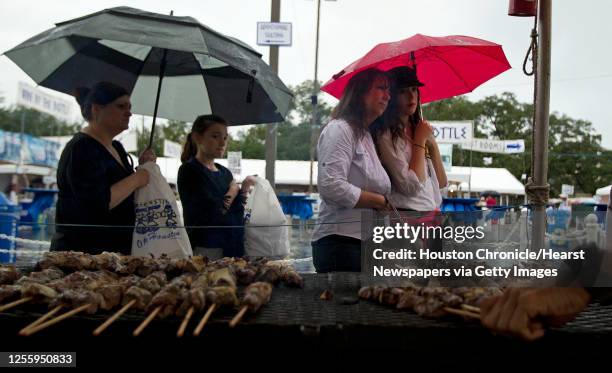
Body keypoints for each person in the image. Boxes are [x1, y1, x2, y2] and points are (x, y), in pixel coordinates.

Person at [52, 82, 155, 255]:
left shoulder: (117, 148)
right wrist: (136, 179)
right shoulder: (81, 148)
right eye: (121, 106)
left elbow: (125, 194)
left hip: (115, 253)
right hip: (84, 255)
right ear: (96, 109)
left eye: (130, 107)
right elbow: (97, 203)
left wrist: (143, 167)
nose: (129, 113)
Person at [311, 68, 392, 273]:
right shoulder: (340, 129)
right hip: (340, 245)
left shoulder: (365, 135)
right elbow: (331, 186)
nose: (387, 95)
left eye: (388, 90)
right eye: (381, 88)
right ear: (361, 92)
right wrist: (379, 201)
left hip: (363, 244)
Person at [177, 115, 255, 258]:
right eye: (215, 136)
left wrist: (244, 187)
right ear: (198, 138)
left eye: (225, 138)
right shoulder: (190, 170)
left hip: (234, 245)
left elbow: (237, 209)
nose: (222, 143)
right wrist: (233, 189)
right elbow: (214, 212)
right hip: (206, 249)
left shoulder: (224, 172)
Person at [372, 66, 447, 212]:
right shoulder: (386, 135)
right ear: (391, 96)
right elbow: (410, 187)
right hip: (405, 215)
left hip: (430, 213)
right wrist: (420, 140)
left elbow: (442, 183)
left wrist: (432, 146)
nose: (411, 97)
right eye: (402, 91)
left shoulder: (419, 130)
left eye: (414, 89)